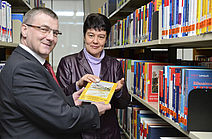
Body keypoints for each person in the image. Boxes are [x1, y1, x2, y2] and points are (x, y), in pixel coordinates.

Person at [0, 7, 111, 139]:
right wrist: (94, 110)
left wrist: (71, 100)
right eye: (44, 29)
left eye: (55, 32)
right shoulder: (24, 68)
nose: (51, 37)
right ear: (24, 29)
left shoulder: (29, 62)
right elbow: (63, 119)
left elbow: (43, 103)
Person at [56, 13, 130, 139]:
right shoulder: (67, 63)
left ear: (106, 39)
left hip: (107, 132)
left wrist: (118, 91)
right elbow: (59, 101)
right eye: (91, 35)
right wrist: (77, 85)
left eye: (101, 37)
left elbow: (123, 104)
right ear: (84, 36)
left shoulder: (114, 65)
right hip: (79, 132)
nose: (95, 41)